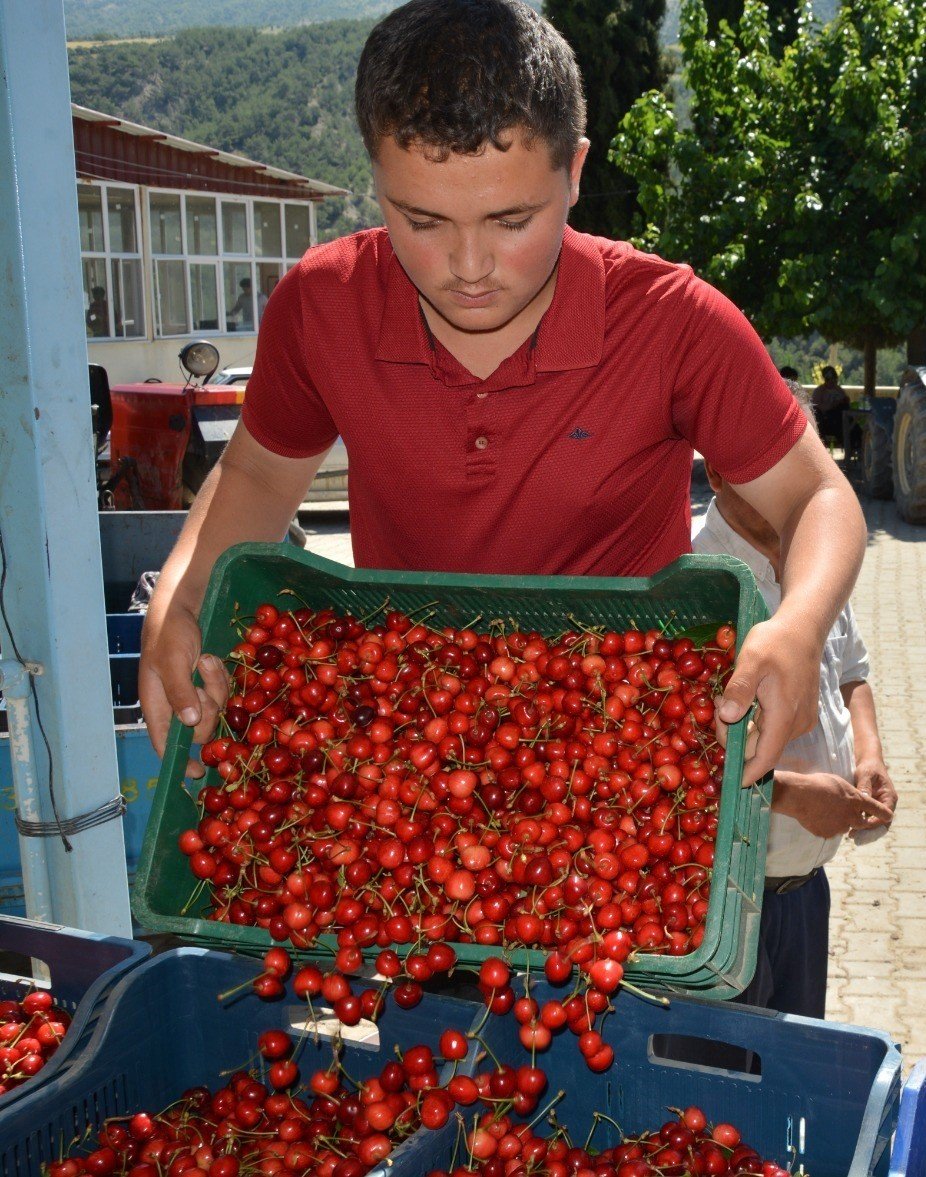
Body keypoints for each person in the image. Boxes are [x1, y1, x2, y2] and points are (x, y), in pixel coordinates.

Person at [139, 0, 868, 787]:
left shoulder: (672, 323)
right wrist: (178, 603)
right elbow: (256, 475)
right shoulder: (323, 306)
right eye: (420, 219)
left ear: (576, 171)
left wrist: (797, 627)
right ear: (374, 180)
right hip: (415, 754)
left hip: (624, 766)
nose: (469, 264)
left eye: (511, 219)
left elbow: (816, 496)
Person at [694, 383, 896, 1017]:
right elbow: (672, 758)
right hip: (723, 903)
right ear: (721, 473)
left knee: (787, 1069)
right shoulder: (694, 581)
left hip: (805, 892)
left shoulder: (816, 559)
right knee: (716, 1089)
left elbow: (851, 672)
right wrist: (789, 795)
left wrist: (870, 753)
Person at [812, 365, 850, 447]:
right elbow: (817, 408)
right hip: (827, 419)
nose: (833, 382)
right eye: (830, 379)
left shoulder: (839, 390)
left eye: (834, 379)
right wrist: (833, 405)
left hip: (841, 416)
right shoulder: (819, 391)